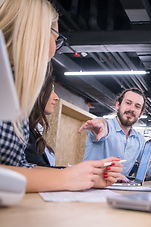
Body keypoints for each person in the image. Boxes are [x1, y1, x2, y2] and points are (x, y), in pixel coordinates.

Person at [0, 0, 122, 192]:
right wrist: (64, 178)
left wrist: (87, 177)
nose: (53, 51)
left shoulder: (14, 98)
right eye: (55, 37)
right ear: (35, 33)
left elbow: (18, 168)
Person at [79, 88, 151, 180]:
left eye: (137, 106)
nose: (132, 109)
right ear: (118, 105)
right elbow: (103, 124)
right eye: (128, 103)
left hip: (117, 192)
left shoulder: (139, 140)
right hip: (90, 188)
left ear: (141, 113)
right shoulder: (103, 127)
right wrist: (101, 122)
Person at [25, 76, 58, 167]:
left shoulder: (35, 131)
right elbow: (37, 168)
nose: (56, 97)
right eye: (51, 90)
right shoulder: (24, 130)